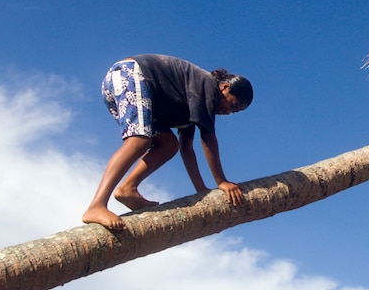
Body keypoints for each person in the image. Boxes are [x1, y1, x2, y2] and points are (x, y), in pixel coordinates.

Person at [82, 54, 254, 230]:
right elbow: (208, 138)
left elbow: (187, 149)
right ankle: (97, 205)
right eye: (232, 105)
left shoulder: (192, 104)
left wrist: (201, 189)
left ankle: (128, 189)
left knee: (169, 144)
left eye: (234, 112)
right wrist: (222, 181)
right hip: (130, 75)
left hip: (131, 88)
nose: (228, 112)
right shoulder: (207, 86)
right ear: (224, 87)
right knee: (138, 141)